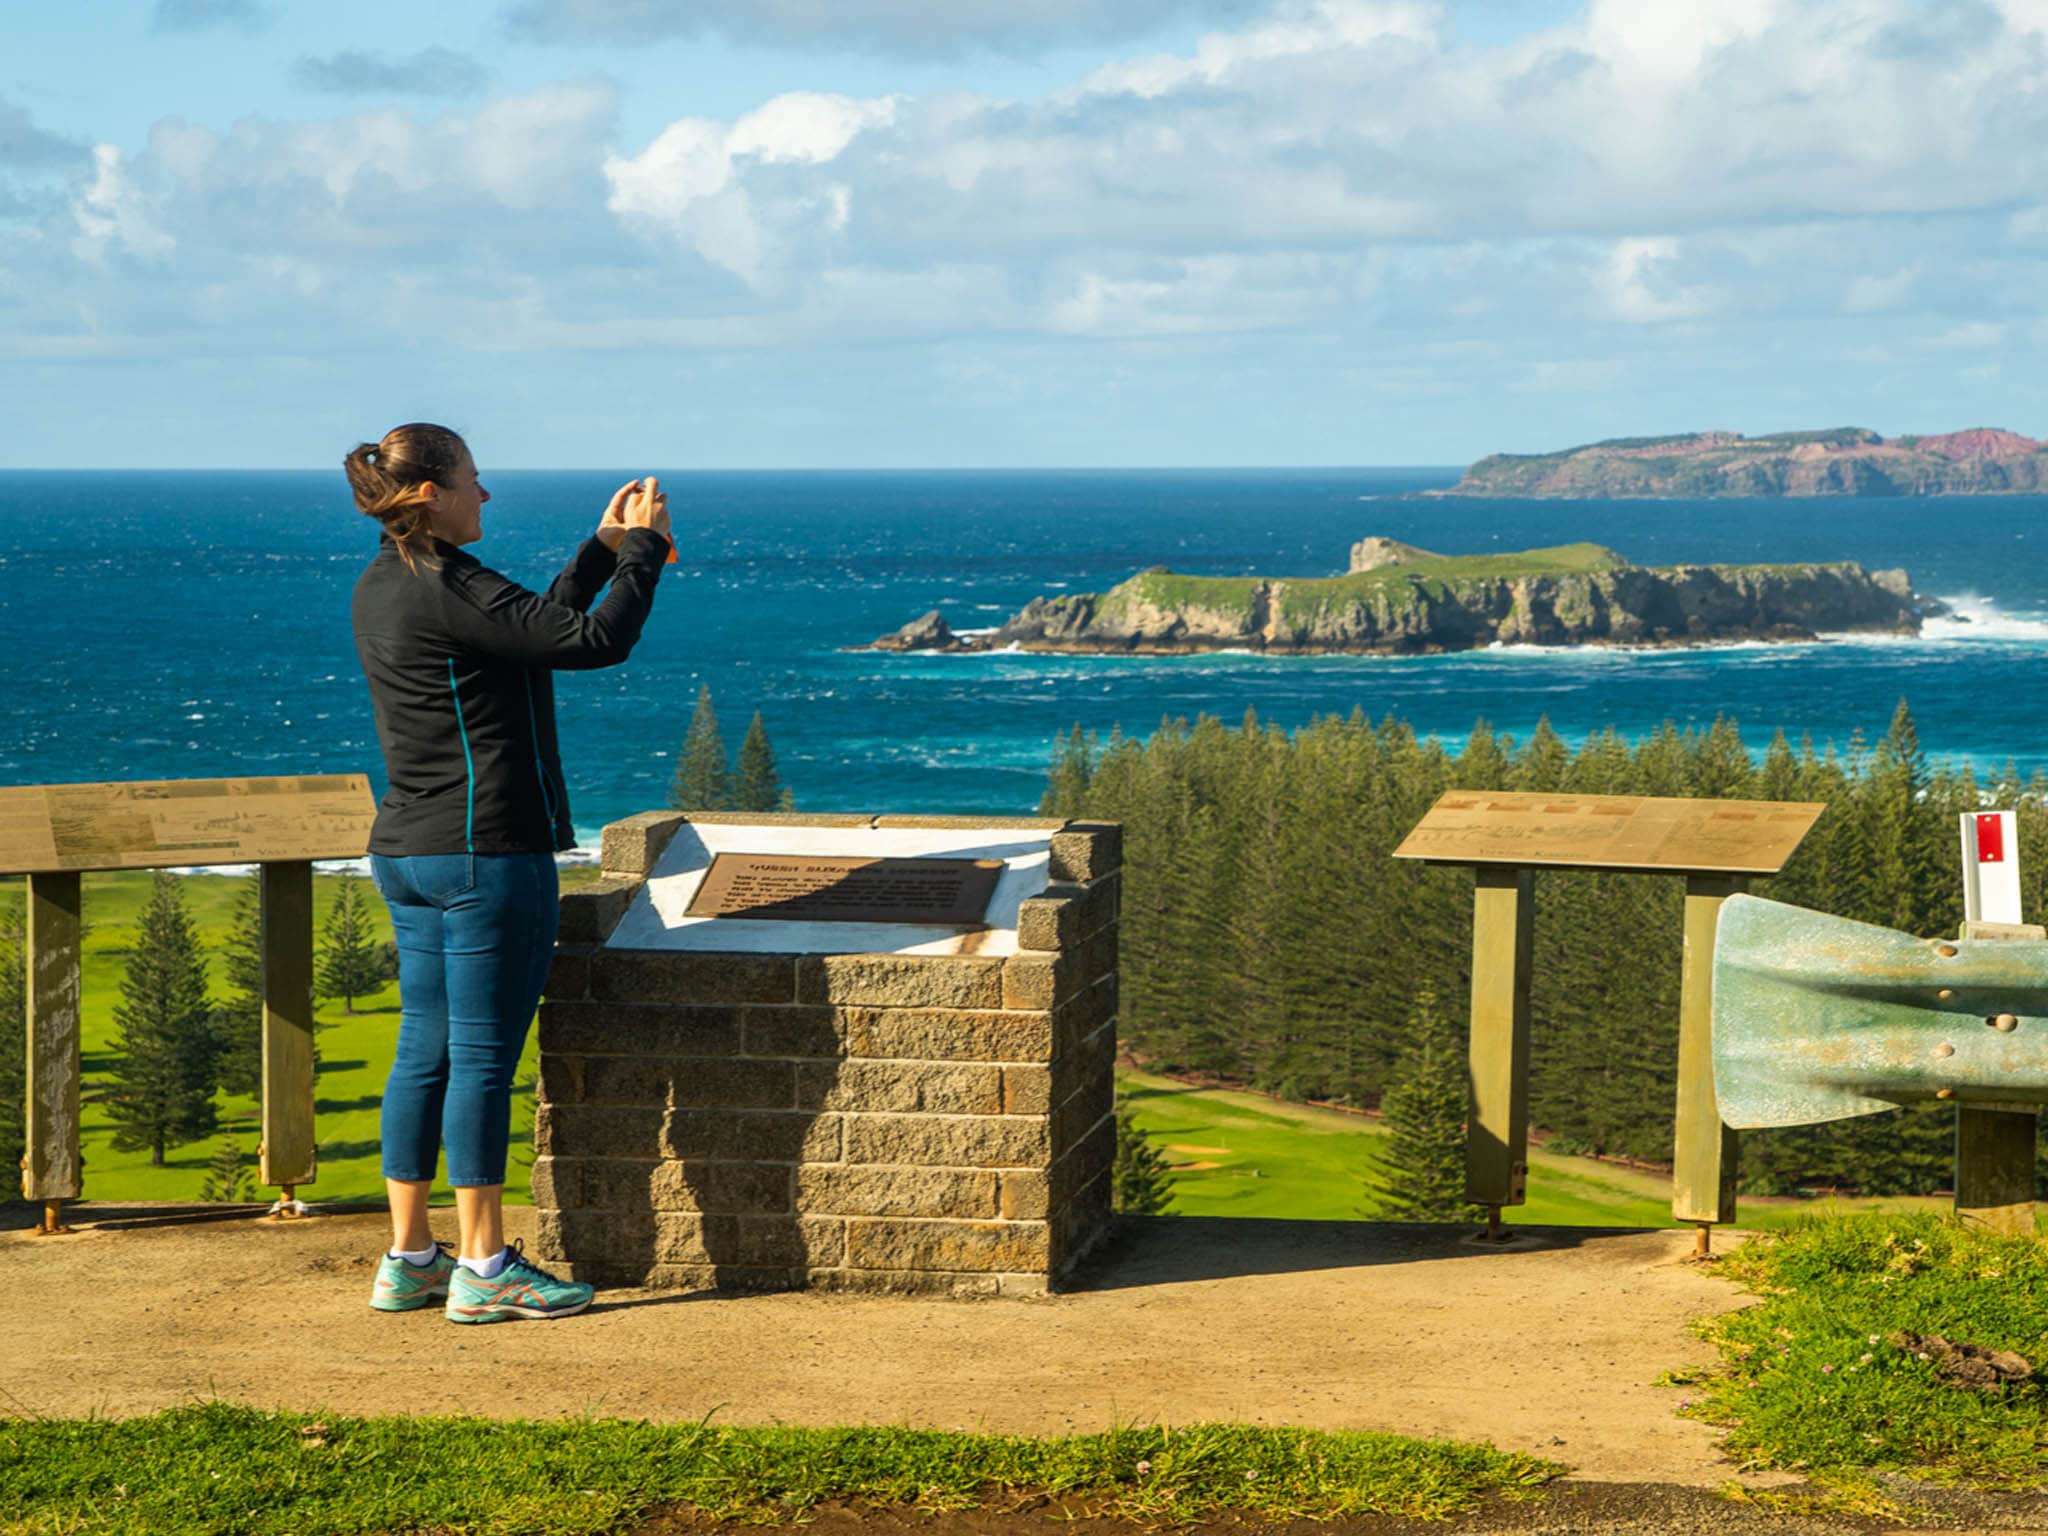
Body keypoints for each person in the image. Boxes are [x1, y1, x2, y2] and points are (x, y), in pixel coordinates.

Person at [345, 422, 671, 1323]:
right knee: (484, 1059)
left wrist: (599, 553)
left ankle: (411, 1256)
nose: (485, 496)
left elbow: (534, 627)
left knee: (425, 1053)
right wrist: (644, 552)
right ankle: (486, 1267)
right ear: (430, 494)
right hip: (488, 856)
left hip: (410, 853)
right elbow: (595, 643)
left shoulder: (386, 585)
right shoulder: (449, 585)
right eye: (473, 482)